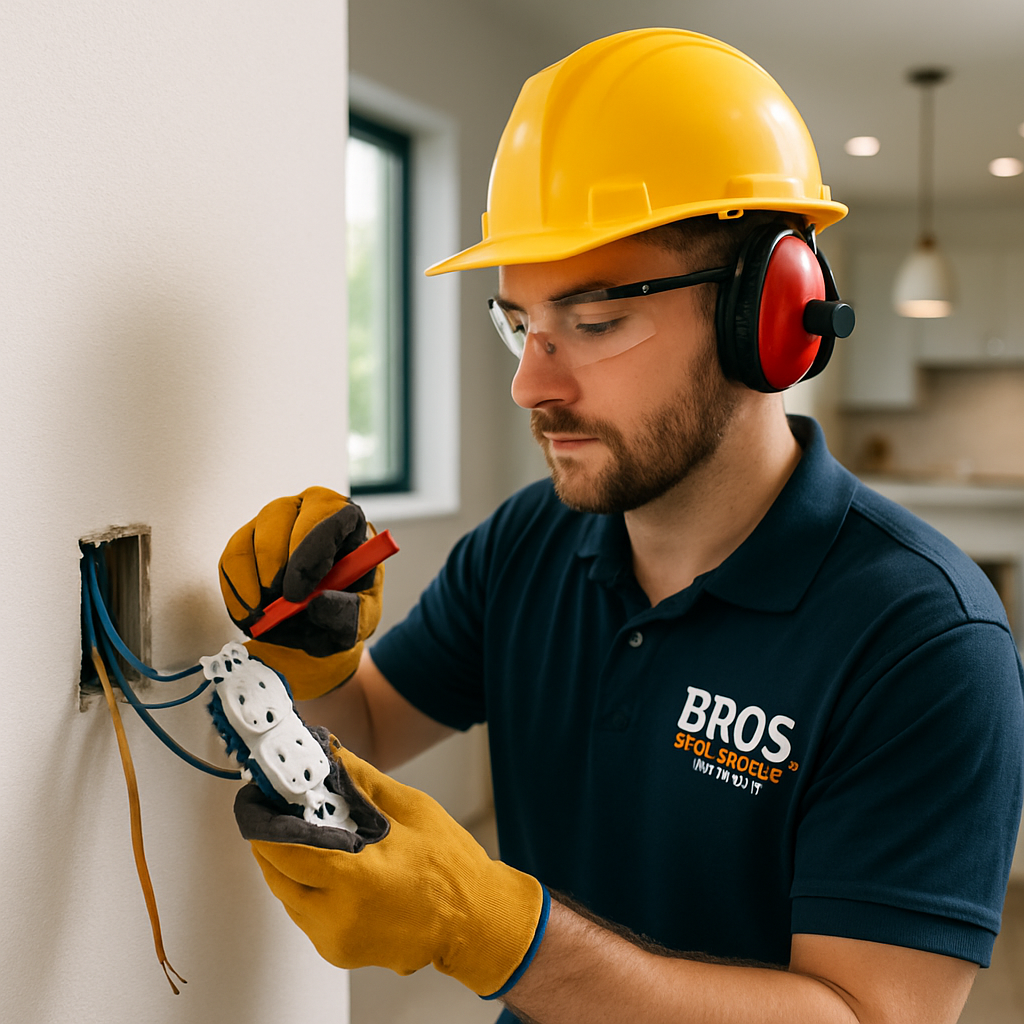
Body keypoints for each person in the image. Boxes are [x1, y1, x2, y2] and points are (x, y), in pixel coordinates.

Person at [219, 28, 1024, 1024]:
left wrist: (503, 936)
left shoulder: (923, 639)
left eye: (593, 323)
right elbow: (372, 725)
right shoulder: (526, 544)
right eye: (521, 322)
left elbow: (865, 1016)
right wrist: (303, 663)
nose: (530, 384)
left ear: (767, 315)